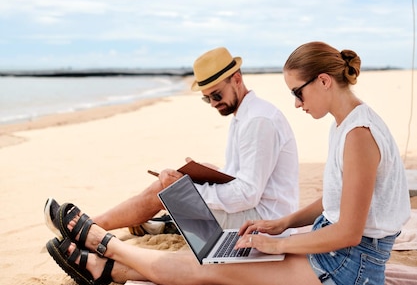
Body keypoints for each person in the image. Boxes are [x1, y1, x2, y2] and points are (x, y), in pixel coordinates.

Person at [46, 41, 411, 285]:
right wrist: (283, 224)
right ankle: (100, 267)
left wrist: (279, 244)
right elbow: (336, 199)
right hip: (340, 257)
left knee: (211, 269)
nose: (297, 104)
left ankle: (102, 243)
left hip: (350, 272)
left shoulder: (357, 135)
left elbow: (348, 232)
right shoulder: (346, 125)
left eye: (298, 93)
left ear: (324, 81)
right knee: (213, 261)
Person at [45, 46, 299, 237]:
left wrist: (188, 189)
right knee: (176, 179)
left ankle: (88, 229)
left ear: (237, 79)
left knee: (166, 187)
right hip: (258, 214)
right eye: (206, 98)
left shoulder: (258, 121)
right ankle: (119, 223)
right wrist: (206, 175)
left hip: (263, 223)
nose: (213, 103)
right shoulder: (246, 115)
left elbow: (247, 195)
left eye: (216, 95)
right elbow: (246, 180)